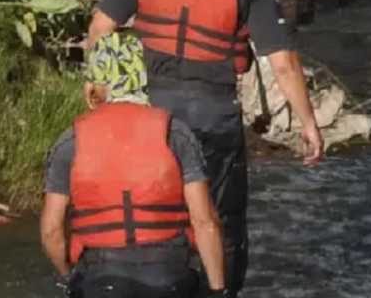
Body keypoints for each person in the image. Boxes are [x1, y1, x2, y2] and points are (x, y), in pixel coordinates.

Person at [83, 0, 325, 297]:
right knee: (221, 225)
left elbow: (101, 26)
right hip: (210, 117)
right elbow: (282, 62)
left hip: (148, 114)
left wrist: (102, 86)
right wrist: (308, 124)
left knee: (151, 217)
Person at [40, 32, 230, 297]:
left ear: (95, 87)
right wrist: (217, 290)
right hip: (170, 278)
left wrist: (67, 278)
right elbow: (205, 222)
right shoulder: (176, 133)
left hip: (100, 281)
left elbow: (51, 231)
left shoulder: (70, 142)